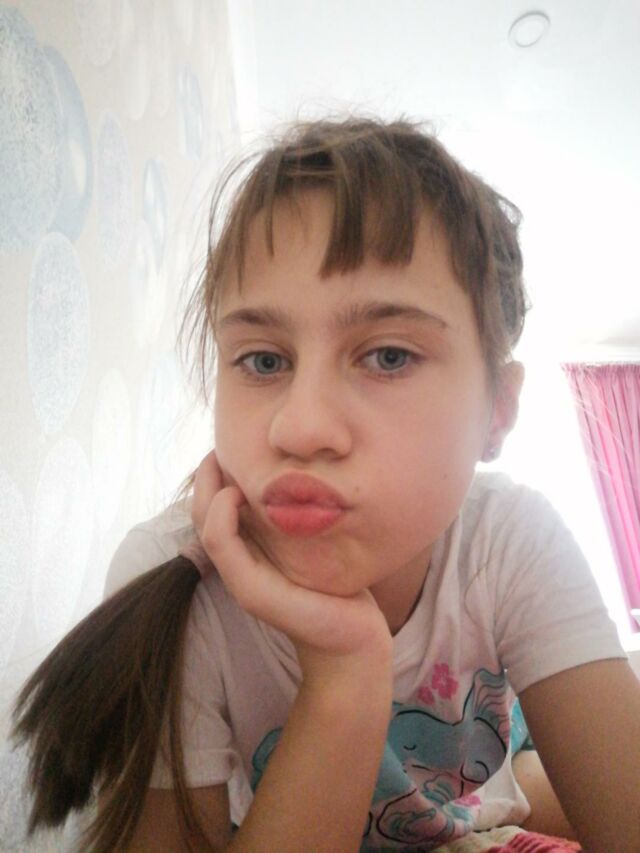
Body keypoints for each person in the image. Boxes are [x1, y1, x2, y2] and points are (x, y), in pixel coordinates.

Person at [12, 118, 640, 853]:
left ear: (497, 410)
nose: (300, 427)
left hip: (479, 806)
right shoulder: (171, 577)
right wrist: (344, 670)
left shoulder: (514, 541)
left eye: (389, 355)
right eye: (264, 361)